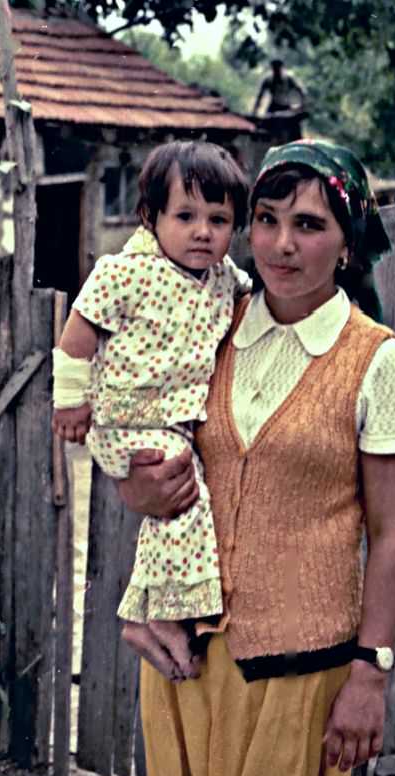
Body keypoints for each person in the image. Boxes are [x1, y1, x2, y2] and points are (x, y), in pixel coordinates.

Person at [117, 139, 395, 776]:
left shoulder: (378, 363)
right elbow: (139, 449)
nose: (282, 244)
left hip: (304, 672)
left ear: (349, 241)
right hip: (184, 655)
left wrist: (371, 671)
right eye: (265, 219)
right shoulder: (206, 327)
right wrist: (137, 491)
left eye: (310, 223)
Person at [52, 141, 250, 634]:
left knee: (188, 503)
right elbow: (77, 336)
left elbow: (256, 295)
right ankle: (165, 617)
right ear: (150, 216)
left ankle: (159, 608)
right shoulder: (127, 273)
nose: (202, 232)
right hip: (128, 419)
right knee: (186, 500)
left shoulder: (223, 278)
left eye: (218, 220)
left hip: (174, 424)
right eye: (185, 216)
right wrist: (70, 403)